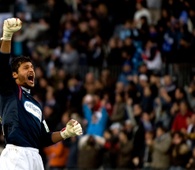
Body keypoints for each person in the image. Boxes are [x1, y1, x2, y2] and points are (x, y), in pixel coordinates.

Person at [0, 18, 83, 170]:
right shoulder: (10, 91)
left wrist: (65, 133)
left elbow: (43, 138)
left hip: (36, 157)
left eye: (32, 67)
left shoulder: (37, 104)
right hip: (16, 155)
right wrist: (7, 36)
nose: (31, 70)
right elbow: (1, 65)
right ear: (14, 75)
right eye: (26, 68)